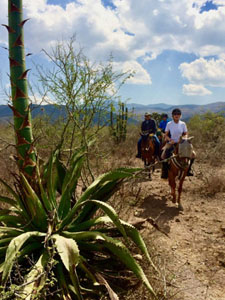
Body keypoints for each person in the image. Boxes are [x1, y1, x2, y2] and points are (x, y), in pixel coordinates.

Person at [161, 108, 195, 178]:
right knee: (163, 155)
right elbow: (165, 135)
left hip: (182, 143)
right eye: (175, 114)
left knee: (193, 154)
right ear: (172, 116)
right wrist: (170, 139)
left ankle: (188, 170)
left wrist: (183, 138)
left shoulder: (183, 124)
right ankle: (165, 172)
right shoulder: (169, 124)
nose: (176, 115)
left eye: (178, 114)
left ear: (180, 116)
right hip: (172, 142)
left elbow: (186, 133)